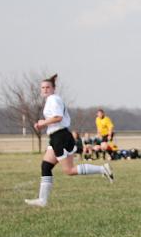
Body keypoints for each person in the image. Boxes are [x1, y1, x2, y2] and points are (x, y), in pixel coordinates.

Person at [25, 74, 114, 207]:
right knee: (46, 166)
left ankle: (102, 169)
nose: (44, 89)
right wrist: (44, 124)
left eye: (47, 87)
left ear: (53, 88)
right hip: (55, 137)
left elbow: (58, 117)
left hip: (61, 137)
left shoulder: (54, 99)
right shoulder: (50, 100)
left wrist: (43, 123)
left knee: (69, 170)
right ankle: (42, 200)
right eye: (42, 87)